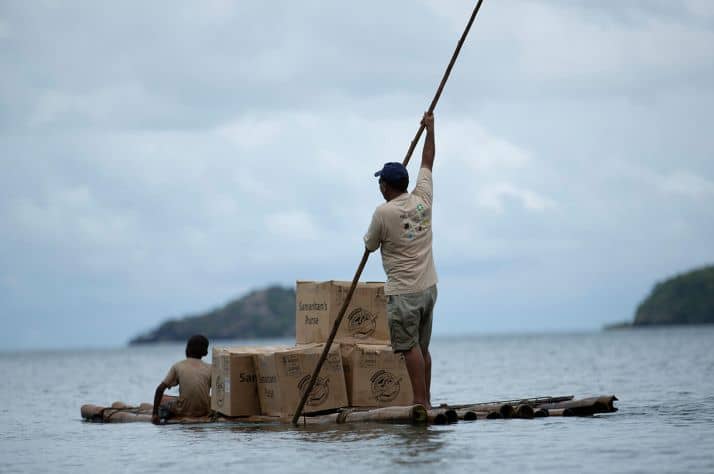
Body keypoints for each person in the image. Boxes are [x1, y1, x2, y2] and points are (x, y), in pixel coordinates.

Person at [363, 111, 438, 409]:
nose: (379, 185)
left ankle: (420, 402)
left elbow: (369, 245)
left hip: (404, 291)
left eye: (381, 182)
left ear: (386, 187)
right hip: (429, 287)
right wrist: (431, 129)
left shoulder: (383, 212)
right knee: (422, 348)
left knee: (409, 349)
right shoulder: (423, 199)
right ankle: (426, 399)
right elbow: (428, 161)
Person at [152, 334, 212, 424]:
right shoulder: (210, 368)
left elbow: (160, 389)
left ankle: (162, 415)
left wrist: (154, 413)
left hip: (183, 411)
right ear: (206, 352)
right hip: (205, 411)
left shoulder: (178, 366)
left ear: (187, 349)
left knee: (164, 400)